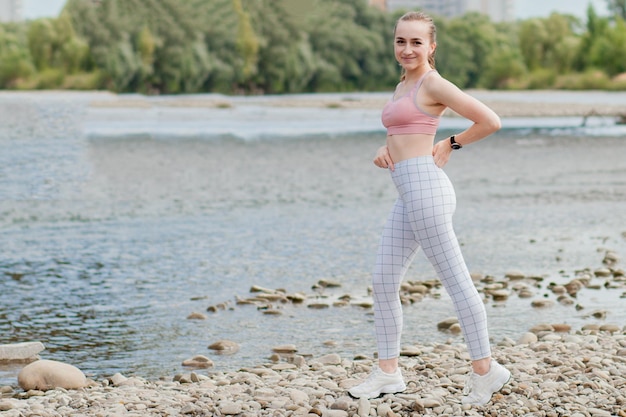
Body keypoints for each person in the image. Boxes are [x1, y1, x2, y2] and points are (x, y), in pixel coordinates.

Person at [347, 11, 510, 406]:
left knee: (456, 283)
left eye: (416, 42)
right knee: (383, 281)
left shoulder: (434, 82)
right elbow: (406, 131)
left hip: (427, 191)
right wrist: (386, 149)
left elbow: (490, 121)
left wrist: (451, 143)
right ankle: (388, 373)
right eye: (401, 41)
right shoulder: (404, 83)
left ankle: (486, 372)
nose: (407, 49)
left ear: (431, 46)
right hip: (408, 190)